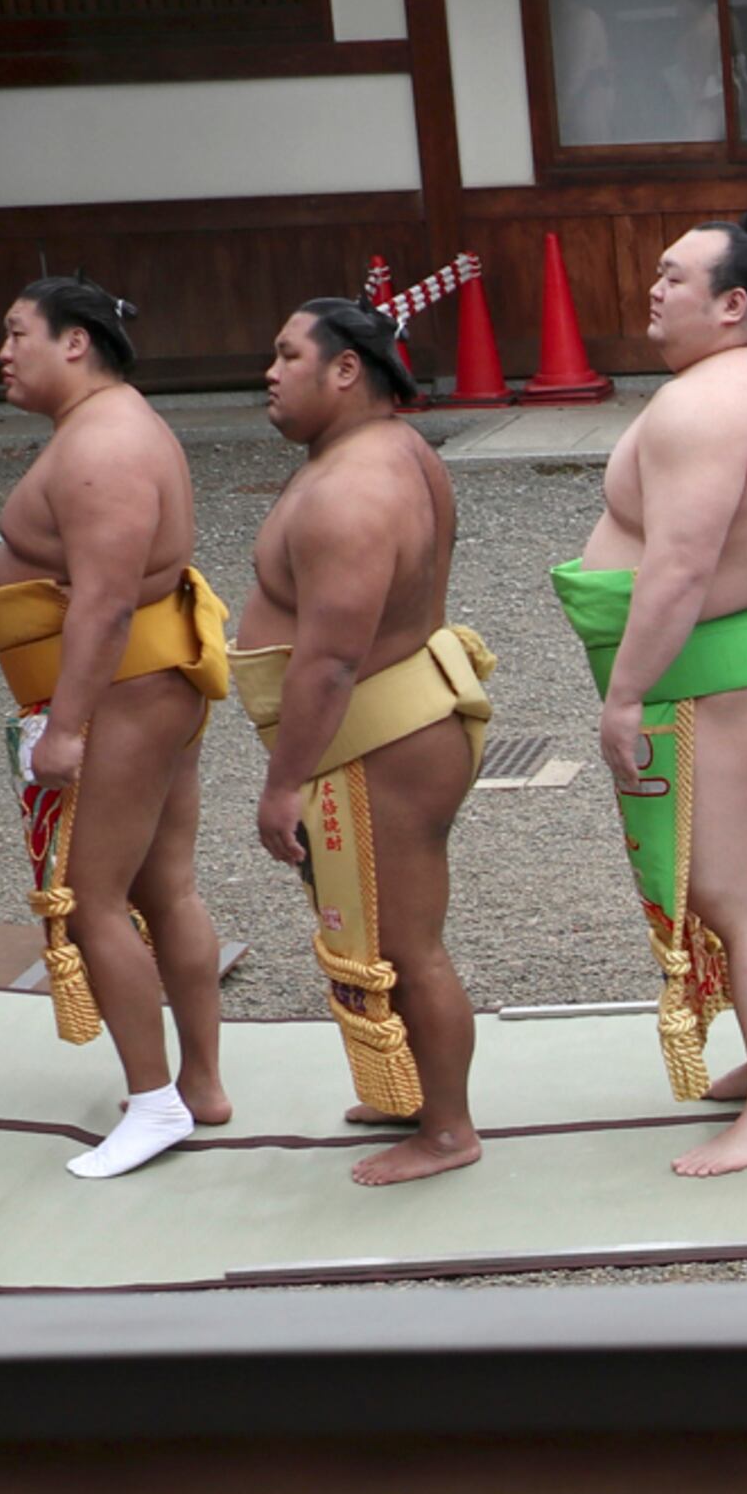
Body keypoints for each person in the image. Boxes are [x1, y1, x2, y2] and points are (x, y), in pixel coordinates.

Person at [550, 221, 747, 1173]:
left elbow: (676, 568)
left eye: (674, 278)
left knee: (736, 893)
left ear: (733, 303)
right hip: (743, 654)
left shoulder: (702, 409)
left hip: (707, 668)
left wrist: (623, 696)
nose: (654, 293)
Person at [0, 276, 233, 1180]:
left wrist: (65, 727)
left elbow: (108, 599)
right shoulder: (109, 427)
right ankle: (198, 1085)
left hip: (121, 692)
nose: (3, 352)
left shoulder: (104, 445)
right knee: (165, 888)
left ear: (74, 342)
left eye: (17, 334)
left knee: (93, 898)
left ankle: (156, 1102)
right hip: (145, 685)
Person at [229, 300, 490, 1187]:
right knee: (376, 933)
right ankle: (409, 1088)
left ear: (346, 371)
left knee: (407, 944)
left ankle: (448, 1131)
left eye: (288, 354)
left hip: (379, 734)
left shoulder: (352, 489)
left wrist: (280, 782)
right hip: (392, 721)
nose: (270, 372)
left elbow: (332, 660)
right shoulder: (392, 452)